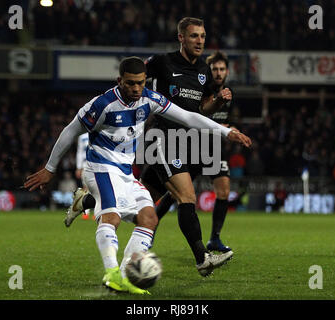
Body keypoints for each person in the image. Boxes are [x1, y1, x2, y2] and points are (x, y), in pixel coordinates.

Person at [23, 57, 252, 294]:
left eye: (140, 83)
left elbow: (188, 117)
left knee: (149, 218)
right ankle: (111, 274)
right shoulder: (102, 104)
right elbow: (70, 130)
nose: (135, 88)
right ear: (119, 80)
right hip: (100, 167)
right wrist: (50, 168)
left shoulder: (150, 99)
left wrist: (226, 132)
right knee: (111, 217)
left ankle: (125, 276)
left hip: (124, 172)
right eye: (130, 83)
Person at [139, 17, 240, 271]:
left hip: (186, 143)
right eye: (194, 36)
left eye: (203, 36)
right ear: (181, 38)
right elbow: (134, 74)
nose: (200, 41)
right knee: (186, 196)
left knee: (142, 199)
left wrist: (218, 101)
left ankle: (87, 201)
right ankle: (202, 258)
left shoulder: (204, 72)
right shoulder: (163, 62)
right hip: (161, 138)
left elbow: (202, 109)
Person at [154, 51, 237, 253]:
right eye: (215, 69)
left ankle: (214, 239)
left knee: (224, 188)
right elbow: (194, 114)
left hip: (214, 148)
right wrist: (220, 127)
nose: (218, 73)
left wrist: (227, 128)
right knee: (177, 194)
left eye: (222, 69)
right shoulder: (199, 86)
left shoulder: (229, 92)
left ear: (227, 71)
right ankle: (150, 225)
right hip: (194, 144)